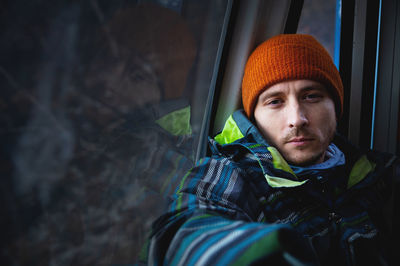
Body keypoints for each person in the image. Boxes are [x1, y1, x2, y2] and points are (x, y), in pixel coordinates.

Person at [147, 34, 399, 265]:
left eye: (311, 96)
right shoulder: (233, 173)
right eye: (275, 102)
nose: (297, 118)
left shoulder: (377, 174)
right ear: (254, 116)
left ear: (335, 106)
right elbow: (185, 231)